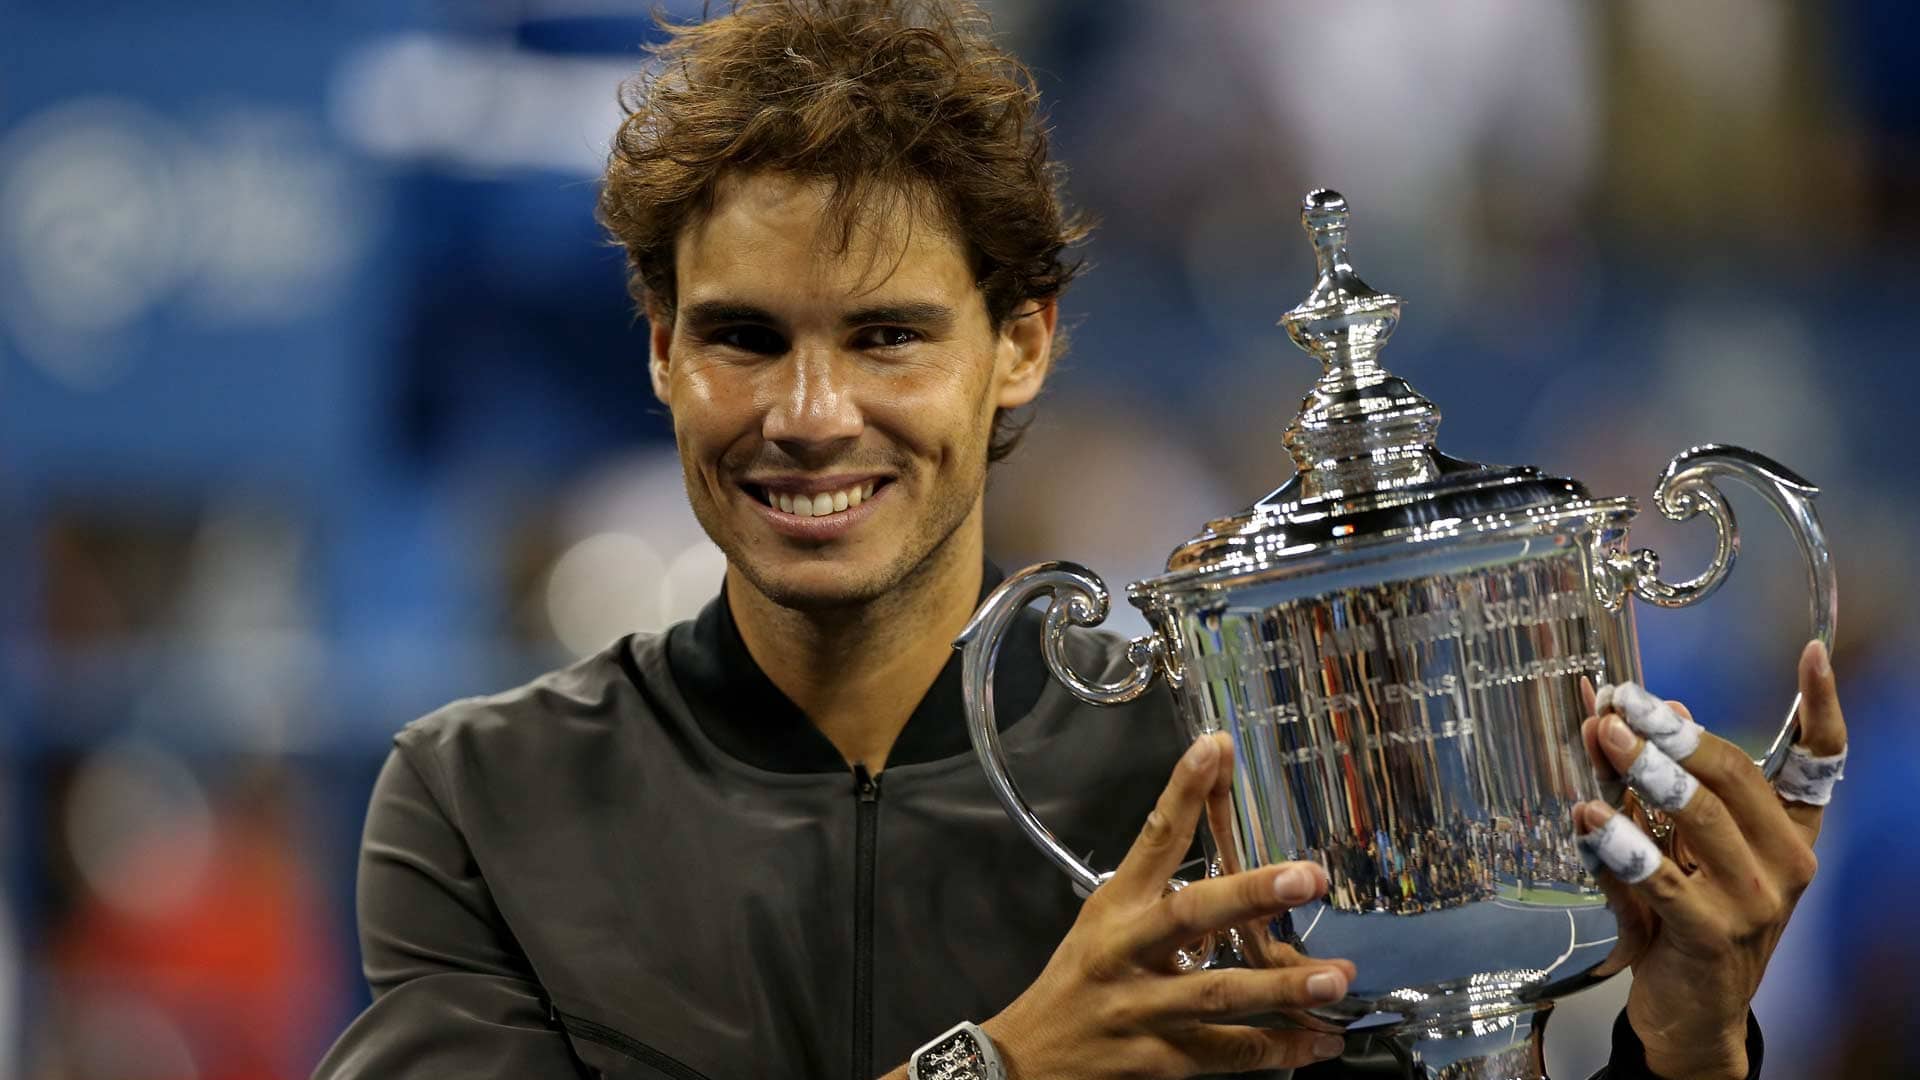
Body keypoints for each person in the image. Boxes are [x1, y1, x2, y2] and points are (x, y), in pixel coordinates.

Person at [311, 3, 1846, 1078]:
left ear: (1023, 347)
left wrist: (1689, 1046)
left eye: (891, 337)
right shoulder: (477, 801)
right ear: (658, 355)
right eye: (742, 338)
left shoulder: (1217, 792)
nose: (810, 411)